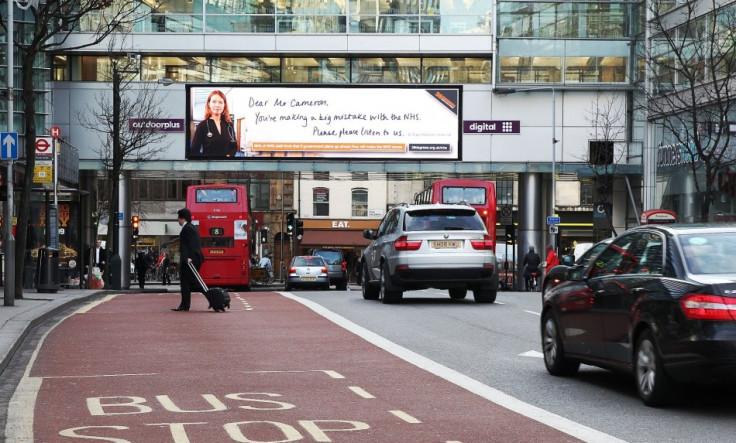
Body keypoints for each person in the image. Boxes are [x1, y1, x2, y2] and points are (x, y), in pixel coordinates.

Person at [190, 90, 238, 158]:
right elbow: (194, 151)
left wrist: (229, 156)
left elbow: (234, 146)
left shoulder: (229, 125)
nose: (217, 105)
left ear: (224, 105)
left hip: (227, 165)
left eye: (220, 102)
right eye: (214, 102)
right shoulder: (202, 125)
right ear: (209, 104)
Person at [173, 208, 204, 312]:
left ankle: (185, 305)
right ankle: (184, 305)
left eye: (179, 218)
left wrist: (188, 257)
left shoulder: (188, 228)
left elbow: (190, 245)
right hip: (192, 259)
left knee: (188, 283)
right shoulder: (191, 227)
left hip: (191, 260)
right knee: (187, 283)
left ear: (182, 218)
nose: (178, 220)